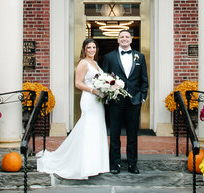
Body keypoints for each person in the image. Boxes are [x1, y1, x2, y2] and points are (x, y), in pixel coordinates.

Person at [36, 38, 110, 179]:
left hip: (98, 101)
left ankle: (97, 164)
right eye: (89, 47)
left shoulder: (95, 63)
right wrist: (94, 91)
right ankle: (86, 165)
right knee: (88, 128)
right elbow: (78, 83)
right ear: (84, 49)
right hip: (89, 99)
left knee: (96, 129)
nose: (92, 50)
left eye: (94, 47)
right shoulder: (83, 63)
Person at [101, 29, 148, 174]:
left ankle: (132, 164)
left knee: (132, 134)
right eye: (122, 37)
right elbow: (104, 78)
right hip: (116, 101)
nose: (124, 39)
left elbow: (144, 79)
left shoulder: (140, 57)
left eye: (127, 37)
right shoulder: (109, 57)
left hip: (134, 101)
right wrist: (108, 95)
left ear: (131, 39)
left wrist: (142, 96)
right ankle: (114, 164)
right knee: (114, 133)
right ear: (118, 40)